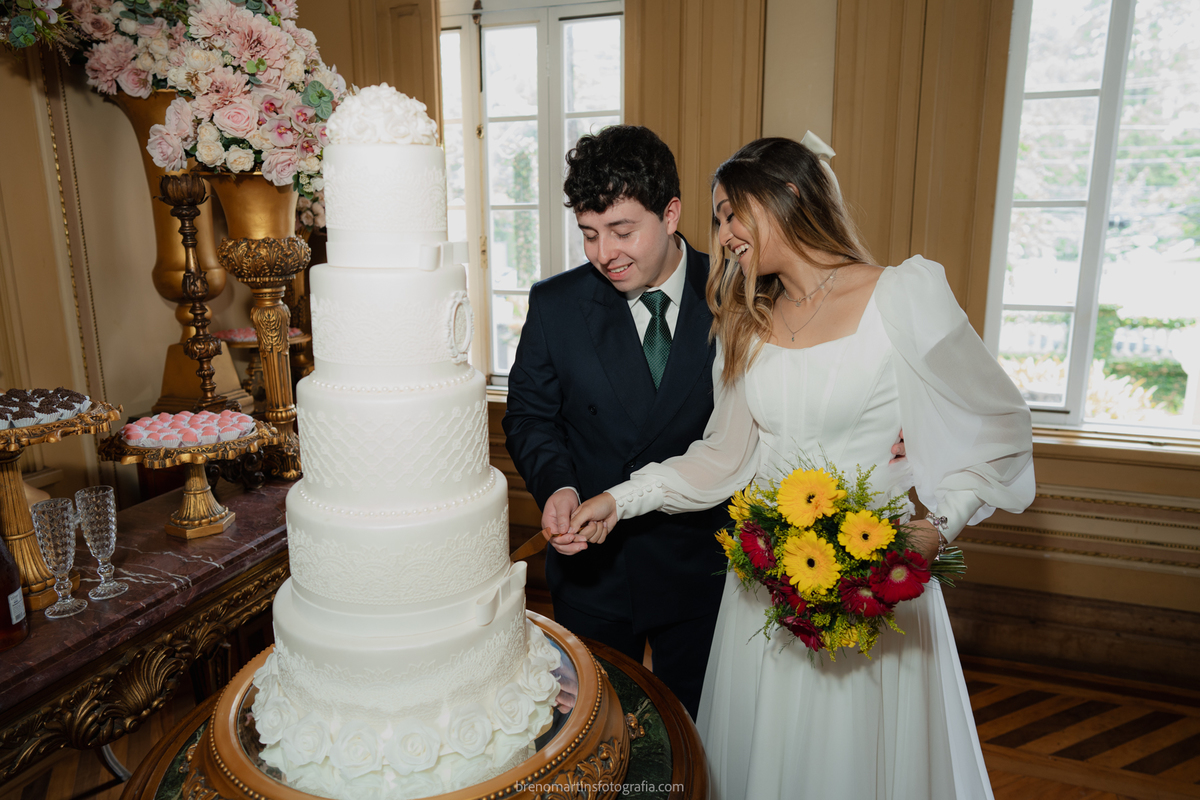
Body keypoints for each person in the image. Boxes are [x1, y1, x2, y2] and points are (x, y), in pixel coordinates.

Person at [566, 134, 1035, 799]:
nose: (724, 235)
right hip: (766, 594)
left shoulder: (904, 294)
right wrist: (620, 500)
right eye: (718, 219)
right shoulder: (744, 318)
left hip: (873, 582)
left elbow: (999, 426)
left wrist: (938, 527)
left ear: (786, 195)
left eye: (732, 213)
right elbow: (723, 458)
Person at [502, 125, 730, 719]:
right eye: (589, 234)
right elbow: (529, 416)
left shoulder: (734, 294)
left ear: (671, 214)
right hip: (595, 568)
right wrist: (558, 485)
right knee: (600, 728)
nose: (605, 253)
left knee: (696, 731)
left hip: (705, 564)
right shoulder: (555, 305)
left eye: (623, 231)